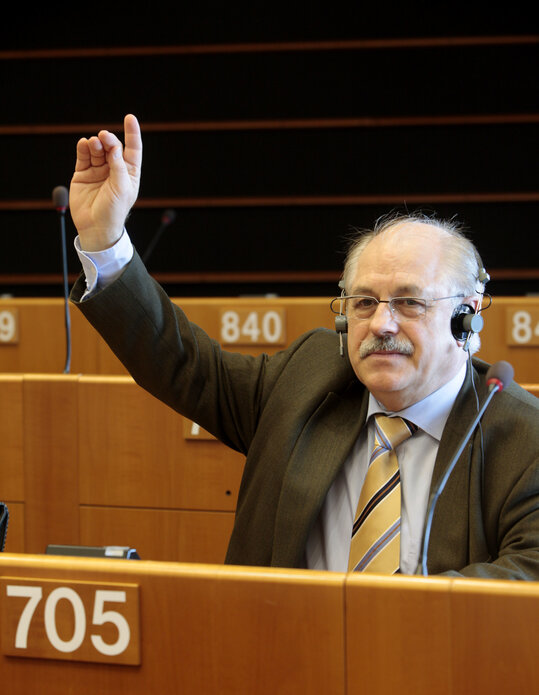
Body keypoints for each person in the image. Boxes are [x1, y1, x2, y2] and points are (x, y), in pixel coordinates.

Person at [68, 114, 539, 579]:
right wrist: (103, 239)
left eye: (410, 302)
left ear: (468, 314)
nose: (380, 323)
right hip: (277, 649)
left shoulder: (522, 439)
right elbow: (184, 363)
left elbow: (525, 577)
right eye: (363, 302)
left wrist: (394, 622)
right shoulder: (308, 379)